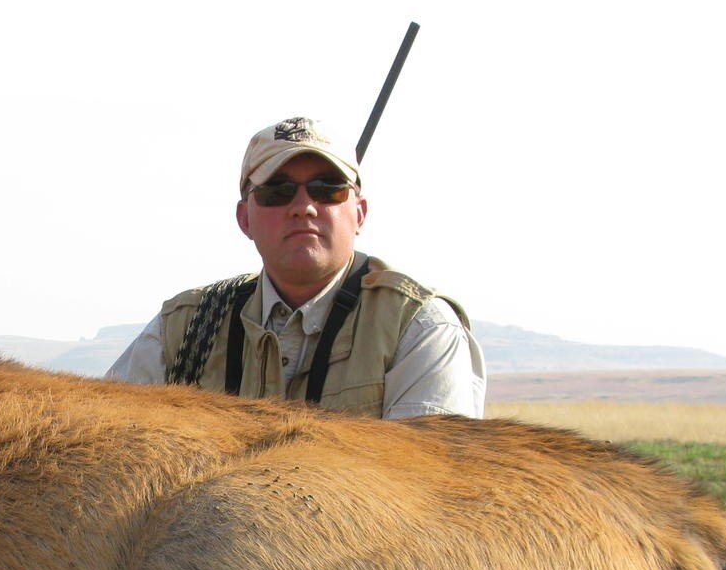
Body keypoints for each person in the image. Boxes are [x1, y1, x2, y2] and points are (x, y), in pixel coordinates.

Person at [106, 116, 484, 419]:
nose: (304, 206)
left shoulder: (419, 327)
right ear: (245, 219)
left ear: (360, 213)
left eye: (328, 189)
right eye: (277, 191)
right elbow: (110, 442)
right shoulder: (184, 328)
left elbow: (424, 490)